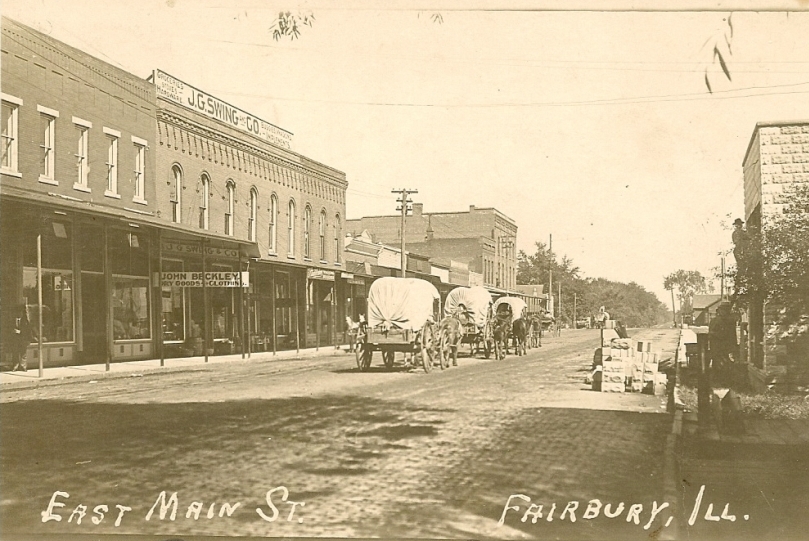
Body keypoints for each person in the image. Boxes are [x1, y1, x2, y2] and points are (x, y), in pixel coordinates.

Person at [709, 302, 738, 385]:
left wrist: (734, 346)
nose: (725, 312)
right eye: (723, 310)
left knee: (726, 363)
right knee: (717, 362)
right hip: (716, 345)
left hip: (726, 346)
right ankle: (717, 380)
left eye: (727, 310)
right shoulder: (715, 321)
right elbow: (711, 333)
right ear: (720, 311)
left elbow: (732, 335)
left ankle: (724, 380)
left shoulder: (730, 321)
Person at [11, 304, 33, 372]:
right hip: (15, 340)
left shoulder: (25, 320)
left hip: (23, 339)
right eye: (17, 312)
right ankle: (15, 366)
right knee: (15, 353)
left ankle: (23, 366)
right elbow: (8, 328)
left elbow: (28, 330)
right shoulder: (12, 320)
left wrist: (20, 332)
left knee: (23, 353)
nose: (19, 314)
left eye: (20, 312)